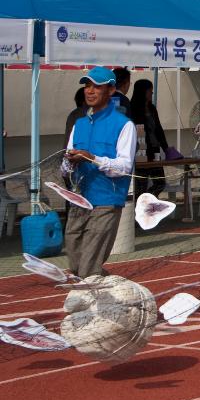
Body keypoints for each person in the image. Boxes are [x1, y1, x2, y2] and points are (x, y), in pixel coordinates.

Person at [60, 67, 137, 278]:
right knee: (74, 256)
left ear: (111, 90)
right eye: (87, 85)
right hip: (79, 198)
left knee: (89, 264)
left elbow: (124, 166)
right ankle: (101, 286)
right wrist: (69, 164)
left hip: (107, 199)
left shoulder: (124, 125)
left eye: (97, 86)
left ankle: (91, 295)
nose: (90, 91)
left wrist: (92, 158)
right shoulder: (79, 123)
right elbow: (66, 164)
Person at [129, 79, 173, 197]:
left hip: (155, 150)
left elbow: (158, 129)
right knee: (141, 185)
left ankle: (147, 200)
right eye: (149, 91)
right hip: (141, 151)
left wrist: (166, 148)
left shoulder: (152, 108)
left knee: (160, 182)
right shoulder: (133, 108)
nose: (151, 94)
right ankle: (141, 206)